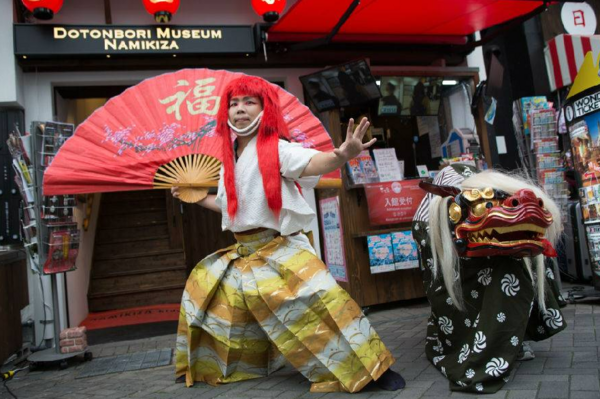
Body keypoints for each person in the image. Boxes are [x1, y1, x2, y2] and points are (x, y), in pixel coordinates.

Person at [172, 75, 405, 393]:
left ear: (264, 109)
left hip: (281, 248)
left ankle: (374, 369)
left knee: (324, 302)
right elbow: (232, 208)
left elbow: (311, 163)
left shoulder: (277, 149)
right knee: (209, 297)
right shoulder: (228, 160)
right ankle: (234, 367)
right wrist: (197, 198)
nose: (240, 109)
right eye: (234, 103)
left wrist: (341, 155)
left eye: (249, 102)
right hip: (243, 253)